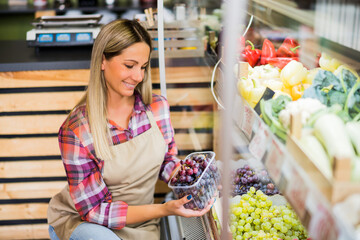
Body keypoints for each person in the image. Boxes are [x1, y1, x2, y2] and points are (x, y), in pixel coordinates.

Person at [47, 19, 214, 240]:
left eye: (143, 67)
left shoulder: (157, 108)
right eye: (129, 65)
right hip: (88, 225)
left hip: (143, 222)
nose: (138, 76)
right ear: (102, 61)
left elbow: (166, 161)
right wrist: (164, 209)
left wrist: (193, 180)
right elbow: (94, 211)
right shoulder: (77, 131)